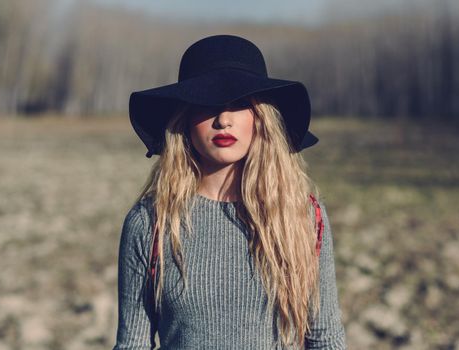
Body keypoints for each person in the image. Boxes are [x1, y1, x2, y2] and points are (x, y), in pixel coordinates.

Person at [113, 34, 346, 349]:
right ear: (184, 119)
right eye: (206, 104)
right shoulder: (151, 223)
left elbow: (326, 340)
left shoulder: (302, 215)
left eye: (239, 104)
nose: (223, 120)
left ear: (261, 117)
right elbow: (133, 345)